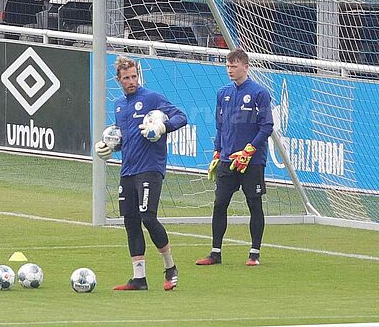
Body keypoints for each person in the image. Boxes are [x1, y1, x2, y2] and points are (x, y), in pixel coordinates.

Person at [95, 56, 188, 291]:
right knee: (131, 221)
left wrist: (162, 127)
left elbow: (181, 117)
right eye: (126, 78)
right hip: (128, 170)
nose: (131, 81)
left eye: (134, 76)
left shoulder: (151, 98)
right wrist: (109, 147)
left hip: (150, 168)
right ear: (119, 80)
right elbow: (125, 139)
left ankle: (170, 267)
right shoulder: (119, 105)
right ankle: (139, 279)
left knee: (148, 217)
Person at [196, 49, 273, 267]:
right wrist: (217, 151)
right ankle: (215, 253)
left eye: (234, 66)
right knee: (219, 204)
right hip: (227, 160)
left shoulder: (259, 93)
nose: (230, 70)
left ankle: (254, 253)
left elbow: (267, 126)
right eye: (228, 66)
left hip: (252, 162)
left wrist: (249, 150)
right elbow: (220, 126)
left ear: (246, 67)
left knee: (254, 204)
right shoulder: (223, 93)